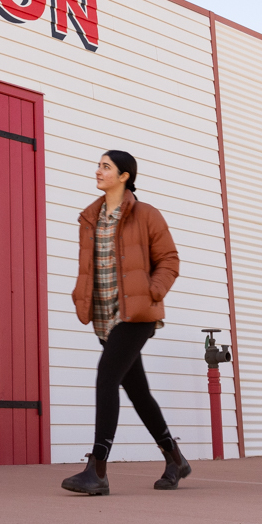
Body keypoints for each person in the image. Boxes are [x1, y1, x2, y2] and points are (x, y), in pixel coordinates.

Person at [62, 150, 190, 496]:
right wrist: (80, 294)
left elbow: (169, 259)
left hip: (137, 314)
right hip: (105, 316)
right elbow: (89, 267)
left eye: (106, 166)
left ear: (124, 176)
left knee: (106, 377)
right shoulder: (91, 218)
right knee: (137, 391)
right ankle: (175, 458)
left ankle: (97, 469)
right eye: (99, 165)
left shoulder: (146, 215)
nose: (98, 170)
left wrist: (152, 291)